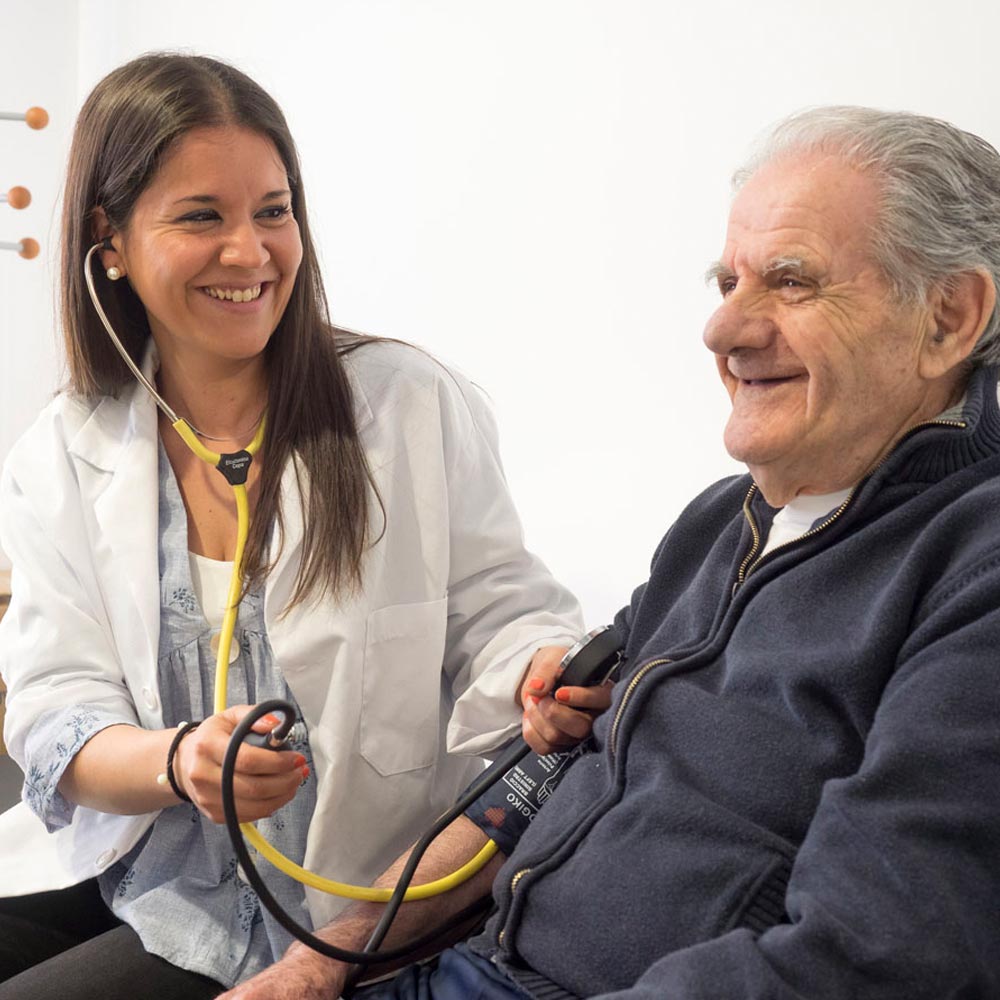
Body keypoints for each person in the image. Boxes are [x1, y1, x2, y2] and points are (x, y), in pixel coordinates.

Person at [224, 105, 1000, 1000]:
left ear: (949, 316)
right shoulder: (719, 523)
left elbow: (873, 959)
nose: (723, 331)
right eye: (726, 284)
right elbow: (535, 784)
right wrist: (317, 967)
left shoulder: (971, 569)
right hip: (471, 966)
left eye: (790, 282)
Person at [0, 53, 609, 999]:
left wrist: (537, 668)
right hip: (150, 876)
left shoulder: (406, 404)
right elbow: (53, 712)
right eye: (202, 216)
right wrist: (177, 761)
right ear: (108, 240)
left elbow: (507, 615)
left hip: (349, 905)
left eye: (273, 211)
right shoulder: (63, 450)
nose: (250, 252)